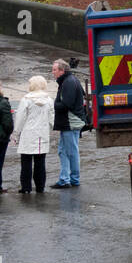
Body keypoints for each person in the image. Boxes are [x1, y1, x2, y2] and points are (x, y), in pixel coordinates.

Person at [10, 75, 53, 193]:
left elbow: (20, 119)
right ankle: (40, 187)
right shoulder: (49, 100)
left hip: (28, 134)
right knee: (40, 162)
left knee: (26, 162)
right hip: (42, 134)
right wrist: (49, 128)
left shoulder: (26, 100)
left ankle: (26, 187)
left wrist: (16, 133)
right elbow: (52, 118)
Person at [50, 58, 87, 189]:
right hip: (68, 122)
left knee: (71, 152)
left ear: (62, 70)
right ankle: (65, 179)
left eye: (54, 70)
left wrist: (53, 104)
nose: (52, 72)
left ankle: (73, 179)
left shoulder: (69, 82)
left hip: (70, 122)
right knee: (63, 151)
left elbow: (67, 104)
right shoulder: (68, 80)